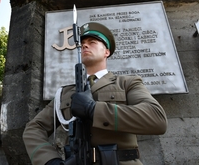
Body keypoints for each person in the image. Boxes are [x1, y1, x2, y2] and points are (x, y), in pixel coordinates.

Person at [23, 22, 168, 165]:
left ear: (107, 52)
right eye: (82, 43)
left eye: (92, 42)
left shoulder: (127, 83)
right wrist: (49, 160)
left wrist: (94, 109)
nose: (85, 45)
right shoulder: (64, 93)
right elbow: (34, 128)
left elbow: (157, 118)